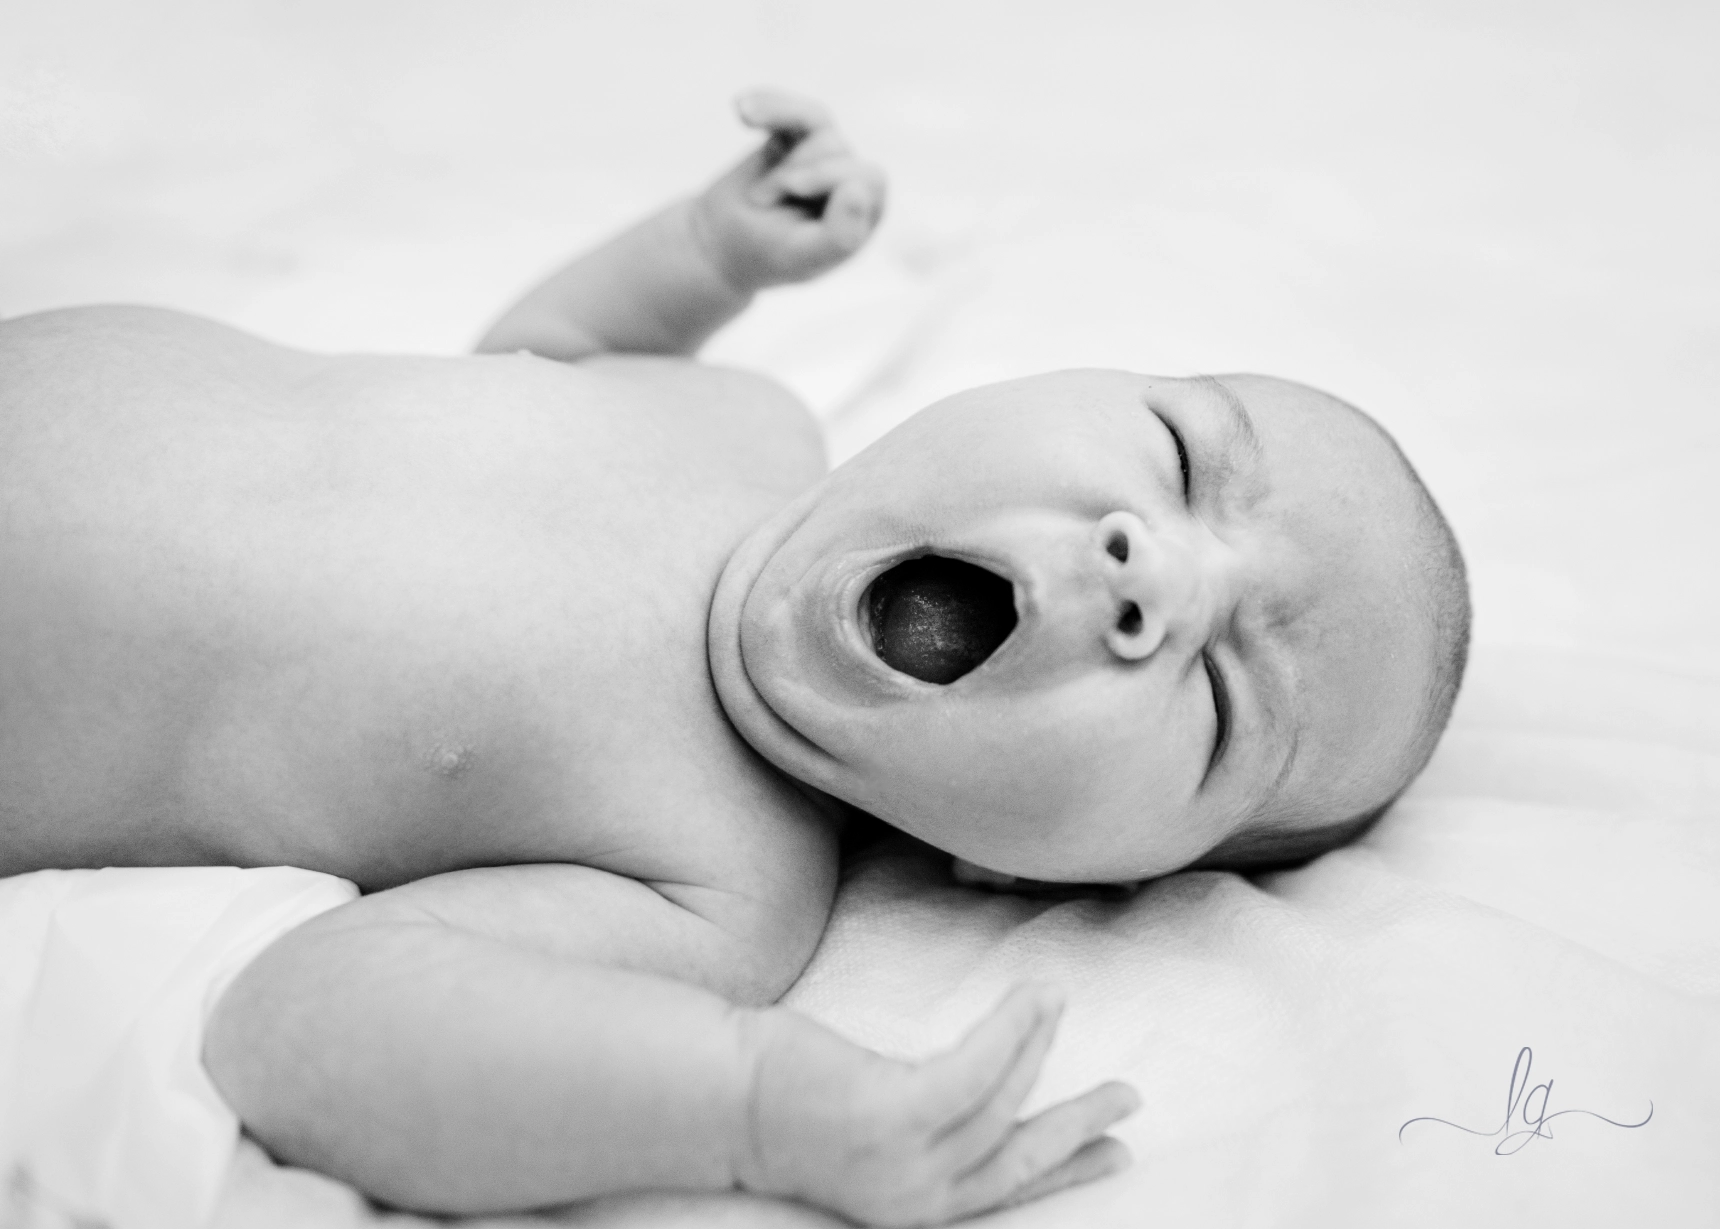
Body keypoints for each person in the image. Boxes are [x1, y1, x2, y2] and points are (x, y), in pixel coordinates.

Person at [0, 89, 1468, 1225]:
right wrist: (702, 255)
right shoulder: (743, 419)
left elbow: (304, 1027)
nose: (1158, 577)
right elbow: (540, 358)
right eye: (1180, 454)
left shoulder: (717, 889)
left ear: (1034, 879)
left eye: (1218, 706)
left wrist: (760, 1110)